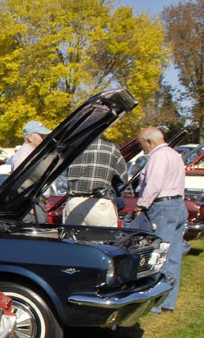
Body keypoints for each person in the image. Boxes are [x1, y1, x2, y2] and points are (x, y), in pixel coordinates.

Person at [133, 126, 186, 313]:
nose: (143, 149)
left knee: (158, 255)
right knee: (173, 255)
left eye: (142, 144)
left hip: (162, 207)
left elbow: (154, 184)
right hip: (178, 204)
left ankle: (155, 302)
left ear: (149, 141)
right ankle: (168, 301)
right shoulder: (174, 155)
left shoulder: (158, 156)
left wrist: (141, 205)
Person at [63, 136, 126, 227]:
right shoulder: (111, 149)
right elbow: (122, 177)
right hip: (100, 204)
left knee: (72, 240)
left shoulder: (72, 148)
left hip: (74, 203)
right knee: (103, 239)